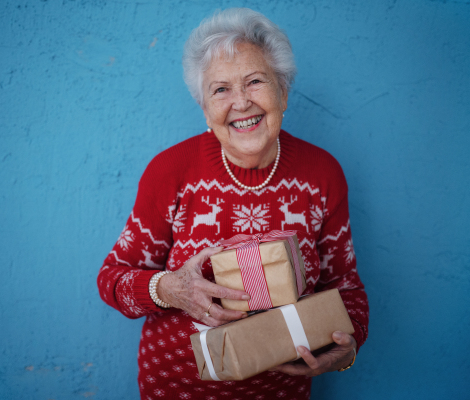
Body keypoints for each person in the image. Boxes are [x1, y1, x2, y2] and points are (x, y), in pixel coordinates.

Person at [97, 8, 369, 399]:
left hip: (282, 391)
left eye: (255, 81)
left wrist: (348, 346)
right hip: (178, 387)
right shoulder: (170, 171)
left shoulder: (321, 174)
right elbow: (112, 279)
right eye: (220, 89)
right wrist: (171, 289)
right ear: (205, 110)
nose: (241, 103)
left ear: (283, 92)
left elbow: (347, 289)